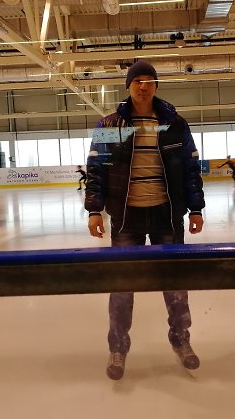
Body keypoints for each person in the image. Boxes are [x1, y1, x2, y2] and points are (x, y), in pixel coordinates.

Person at [85, 60, 205, 381]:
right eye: (137, 80)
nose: (143, 86)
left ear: (156, 86)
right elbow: (96, 169)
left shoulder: (175, 124)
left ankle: (181, 340)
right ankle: (118, 348)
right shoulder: (110, 125)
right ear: (128, 86)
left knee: (175, 283)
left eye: (149, 80)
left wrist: (195, 208)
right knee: (122, 284)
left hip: (167, 215)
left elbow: (191, 168)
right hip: (127, 216)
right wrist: (94, 210)